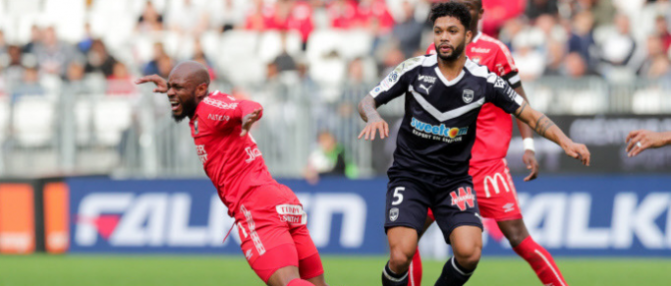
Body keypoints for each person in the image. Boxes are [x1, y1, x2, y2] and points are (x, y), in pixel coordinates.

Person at [357, 3, 590, 286]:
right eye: (438, 31)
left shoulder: (484, 80)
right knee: (401, 254)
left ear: (468, 36)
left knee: (469, 253)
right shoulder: (414, 68)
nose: (444, 37)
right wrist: (372, 116)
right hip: (411, 176)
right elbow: (368, 100)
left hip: (454, 180)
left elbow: (529, 113)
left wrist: (565, 141)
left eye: (452, 31)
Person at [419, 1, 570, 285]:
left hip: (487, 166)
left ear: (479, 13)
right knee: (408, 236)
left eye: (468, 8)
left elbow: (519, 102)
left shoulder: (495, 50)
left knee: (519, 238)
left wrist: (528, 145)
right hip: (445, 167)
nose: (462, 13)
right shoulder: (436, 49)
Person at [136, 61, 327, 286]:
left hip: (256, 206)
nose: (170, 93)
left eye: (177, 87)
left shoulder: (209, 107)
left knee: (288, 283)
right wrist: (173, 88)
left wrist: (247, 116)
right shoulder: (200, 112)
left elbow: (247, 105)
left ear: (199, 89)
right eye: (170, 87)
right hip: (279, 200)